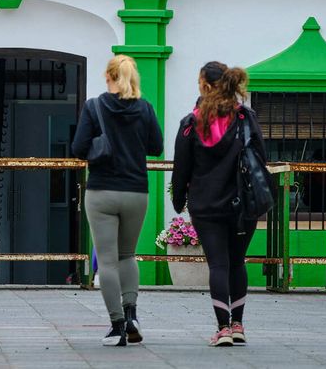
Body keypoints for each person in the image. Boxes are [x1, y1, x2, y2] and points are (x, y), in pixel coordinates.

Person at [170, 61, 268, 346]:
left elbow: (181, 167)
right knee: (237, 262)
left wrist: (179, 199)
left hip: (206, 205)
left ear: (204, 85)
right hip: (243, 203)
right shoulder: (245, 117)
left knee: (218, 265)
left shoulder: (191, 123)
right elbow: (260, 156)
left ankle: (222, 328)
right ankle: (238, 326)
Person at [70, 54, 162, 347]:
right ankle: (132, 316)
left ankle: (117, 326)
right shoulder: (145, 108)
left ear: (108, 76)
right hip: (136, 191)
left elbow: (78, 148)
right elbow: (156, 146)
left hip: (101, 192)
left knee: (107, 261)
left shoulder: (94, 106)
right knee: (127, 255)